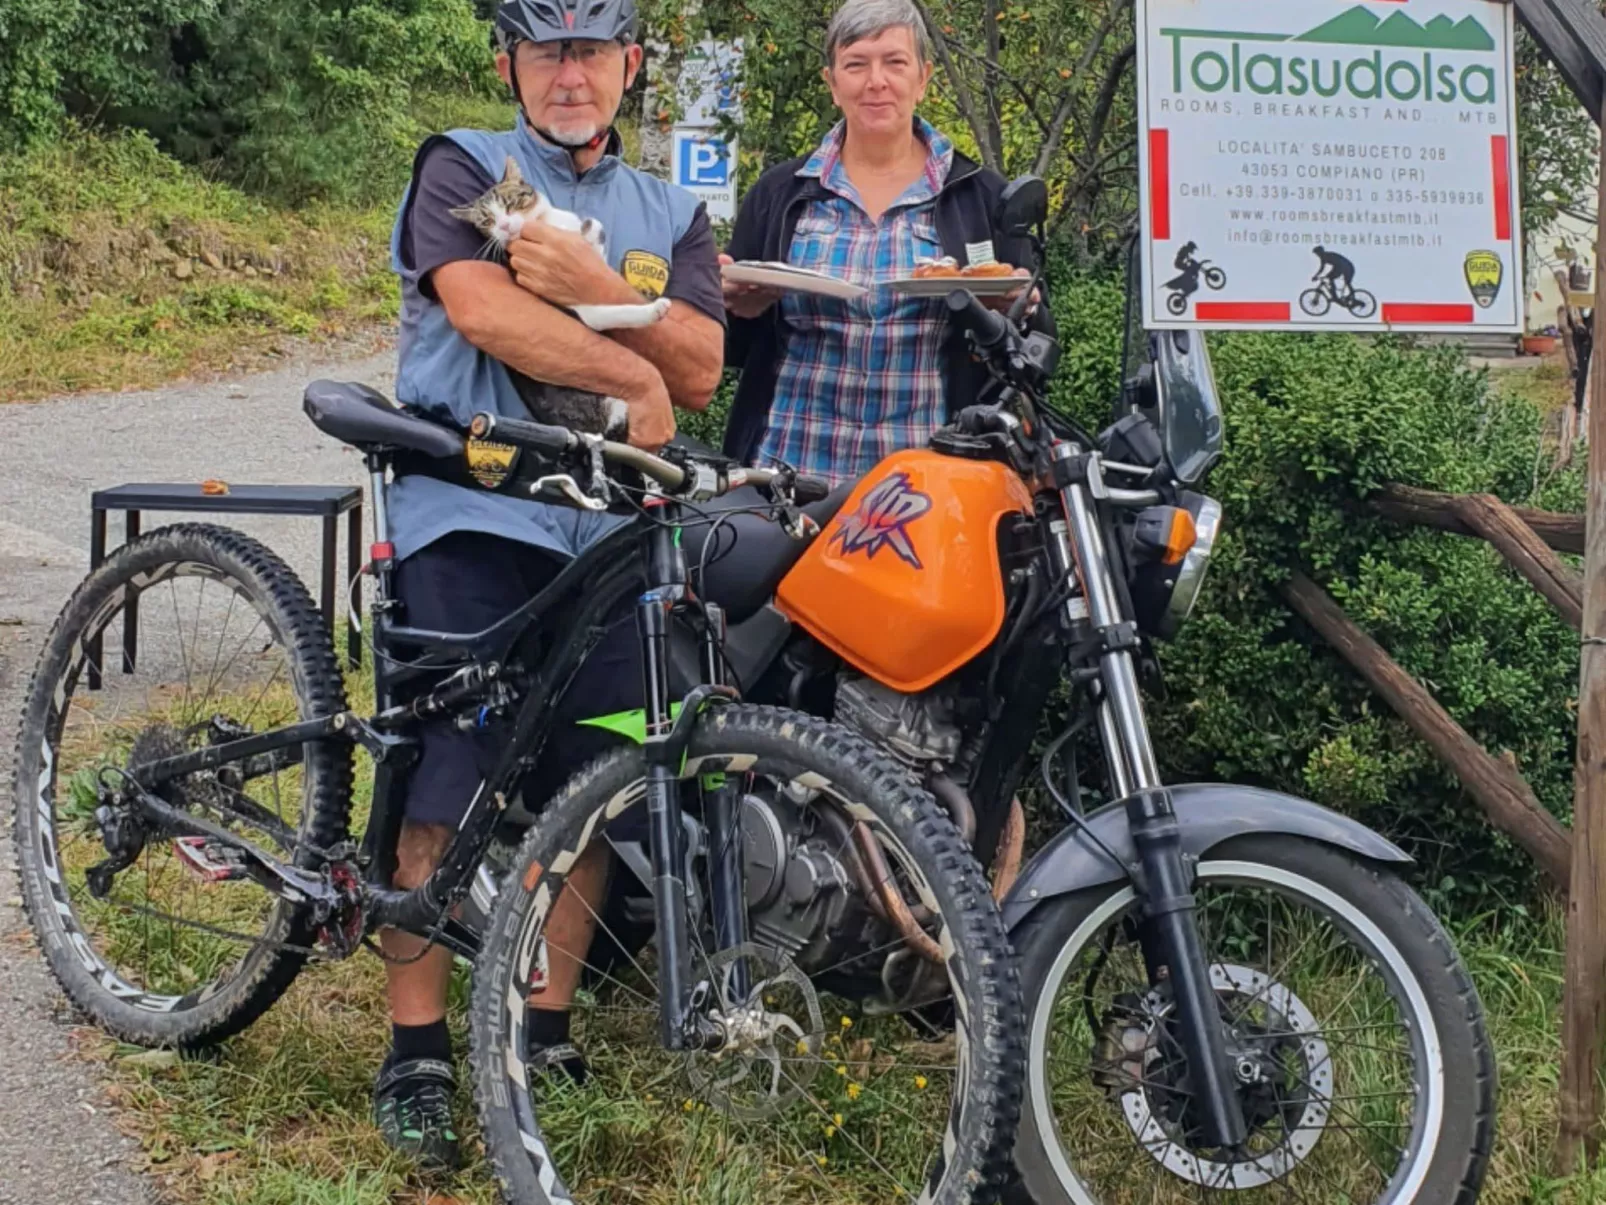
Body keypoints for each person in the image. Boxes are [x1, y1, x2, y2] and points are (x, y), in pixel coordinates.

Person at [377, 0, 724, 1168]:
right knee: (441, 782)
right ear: (511, 64)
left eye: (590, 52)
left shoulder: (672, 212)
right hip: (470, 504)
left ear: (629, 64)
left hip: (610, 535)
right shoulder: (470, 167)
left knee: (601, 779)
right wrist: (636, 360)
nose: (569, 75)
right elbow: (479, 308)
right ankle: (416, 1046)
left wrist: (590, 284)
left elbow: (706, 369)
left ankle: (546, 1019)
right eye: (546, 52)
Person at [719, 0, 1053, 484]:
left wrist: (1014, 311)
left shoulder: (983, 197)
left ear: (923, 77)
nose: (876, 81)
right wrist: (733, 308)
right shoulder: (779, 194)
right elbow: (729, 351)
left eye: (894, 62)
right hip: (785, 485)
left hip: (930, 497)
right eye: (856, 64)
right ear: (832, 83)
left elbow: (1035, 358)